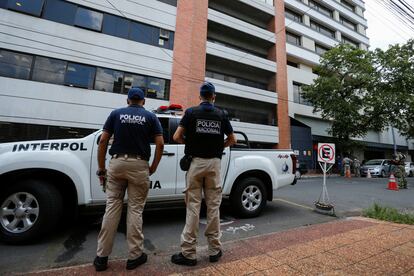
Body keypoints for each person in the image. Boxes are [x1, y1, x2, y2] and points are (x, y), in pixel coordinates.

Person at [93, 87, 164, 271]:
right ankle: (134, 256)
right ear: (143, 101)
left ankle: (101, 257)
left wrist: (102, 168)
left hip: (116, 164)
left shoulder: (116, 114)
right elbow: (160, 143)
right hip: (139, 165)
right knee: (135, 210)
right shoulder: (150, 117)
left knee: (112, 207)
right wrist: (153, 166)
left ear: (127, 100)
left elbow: (102, 141)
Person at [171, 82, 236, 266]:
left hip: (195, 163)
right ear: (213, 97)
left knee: (193, 206)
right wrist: (218, 146)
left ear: (200, 97)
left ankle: (188, 253)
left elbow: (176, 136)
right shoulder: (221, 114)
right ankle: (214, 250)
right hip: (214, 163)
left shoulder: (191, 113)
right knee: (213, 207)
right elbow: (232, 139)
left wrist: (190, 144)